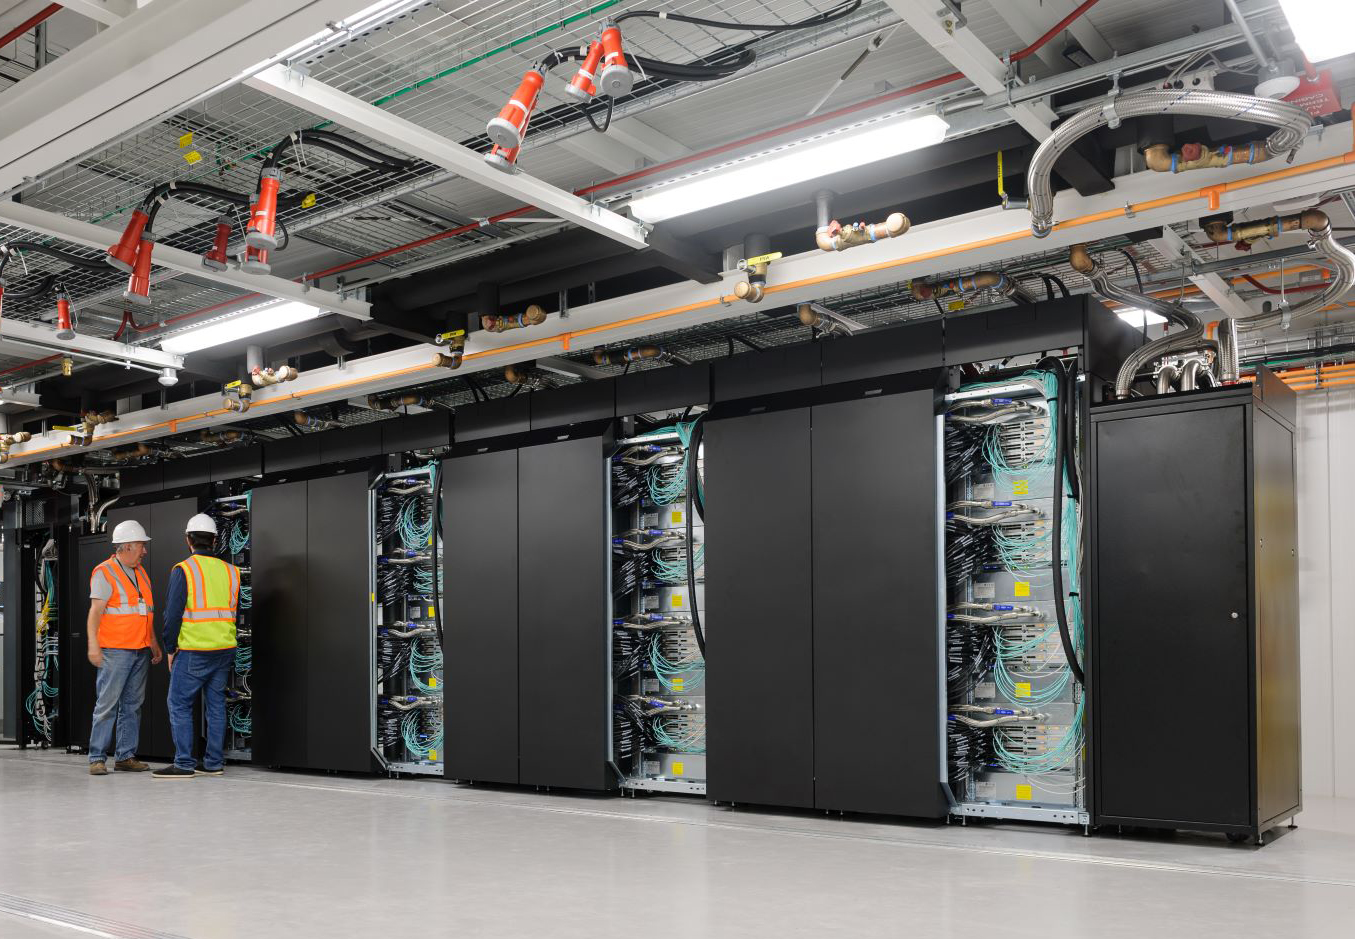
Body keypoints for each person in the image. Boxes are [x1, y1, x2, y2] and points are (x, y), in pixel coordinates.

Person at [152, 514, 240, 779]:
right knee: (216, 706)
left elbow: (172, 615)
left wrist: (170, 649)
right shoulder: (231, 571)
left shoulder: (185, 570)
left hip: (194, 649)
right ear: (214, 540)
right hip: (224, 648)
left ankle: (184, 763)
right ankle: (213, 763)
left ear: (188, 540)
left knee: (179, 704)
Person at [87, 519, 163, 776]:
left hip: (140, 649)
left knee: (132, 705)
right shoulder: (104, 572)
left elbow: (146, 612)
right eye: (141, 545)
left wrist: (153, 642)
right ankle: (97, 758)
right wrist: (93, 645)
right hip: (115, 651)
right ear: (127, 546)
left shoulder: (141, 573)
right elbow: (95, 612)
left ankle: (125, 756)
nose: (145, 551)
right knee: (107, 705)